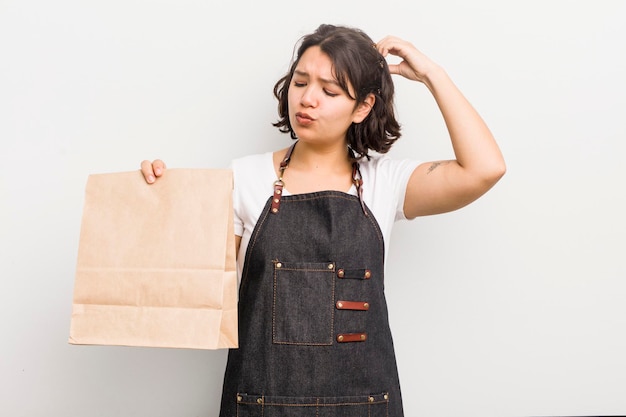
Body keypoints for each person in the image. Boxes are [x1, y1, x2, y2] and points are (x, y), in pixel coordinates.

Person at [141, 23, 505, 417]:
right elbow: (195, 287)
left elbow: (484, 168)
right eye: (300, 83)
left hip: (364, 406)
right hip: (261, 405)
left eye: (329, 91)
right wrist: (160, 199)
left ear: (363, 106)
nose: (307, 99)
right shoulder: (244, 177)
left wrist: (434, 75)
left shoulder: (384, 182)